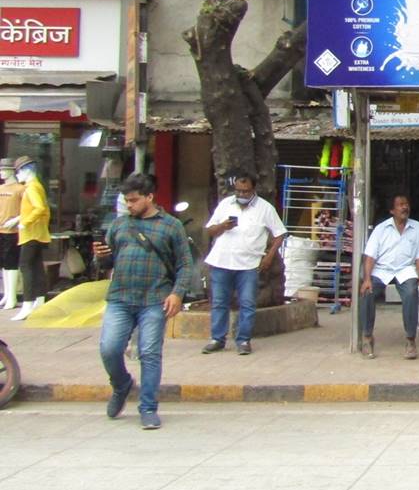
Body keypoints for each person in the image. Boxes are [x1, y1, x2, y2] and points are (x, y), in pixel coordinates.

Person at [92, 173, 193, 430]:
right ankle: (122, 384)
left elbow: (184, 264)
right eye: (126, 200)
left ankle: (148, 407)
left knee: (149, 353)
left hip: (154, 299)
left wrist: (177, 293)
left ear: (150, 197)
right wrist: (100, 257)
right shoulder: (119, 225)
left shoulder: (171, 226)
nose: (130, 205)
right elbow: (107, 262)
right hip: (120, 297)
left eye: (134, 200)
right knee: (109, 348)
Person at [201, 170, 287, 356]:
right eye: (238, 191)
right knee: (219, 302)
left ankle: (244, 340)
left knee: (247, 303)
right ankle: (217, 339)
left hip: (248, 265)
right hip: (221, 261)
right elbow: (209, 230)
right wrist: (223, 226)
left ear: (253, 190)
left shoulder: (265, 208)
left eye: (245, 191)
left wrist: (269, 256)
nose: (241, 195)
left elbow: (280, 233)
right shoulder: (225, 205)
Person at [359, 194, 419, 360]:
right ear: (392, 210)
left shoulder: (417, 227)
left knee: (412, 292)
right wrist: (367, 279)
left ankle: (410, 340)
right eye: (400, 205)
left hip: (405, 270)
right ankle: (367, 337)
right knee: (367, 292)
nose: (404, 207)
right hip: (382, 270)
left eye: (406, 204)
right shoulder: (381, 229)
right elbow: (369, 256)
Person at [9, 155, 51, 322]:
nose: (17, 176)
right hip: (37, 232)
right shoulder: (36, 186)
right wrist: (17, 219)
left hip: (31, 234)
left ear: (26, 171)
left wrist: (24, 222)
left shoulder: (32, 188)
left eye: (18, 172)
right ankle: (39, 301)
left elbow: (40, 208)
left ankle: (27, 304)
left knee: (25, 267)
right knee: (36, 266)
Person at [0, 158, 23, 311]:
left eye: (3, 169)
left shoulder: (20, 189)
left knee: (11, 264)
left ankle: (13, 296)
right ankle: (7, 294)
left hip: (13, 231)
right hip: (1, 229)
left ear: (11, 171)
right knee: (3, 264)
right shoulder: (0, 189)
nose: (1, 172)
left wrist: (17, 219)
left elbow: (28, 209)